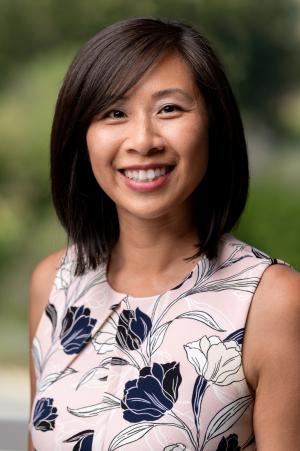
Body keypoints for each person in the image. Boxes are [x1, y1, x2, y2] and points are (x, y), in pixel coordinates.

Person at [28, 17, 300, 451]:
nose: (143, 139)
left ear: (214, 124)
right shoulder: (55, 284)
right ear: (82, 136)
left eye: (169, 108)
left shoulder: (272, 301)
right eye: (114, 112)